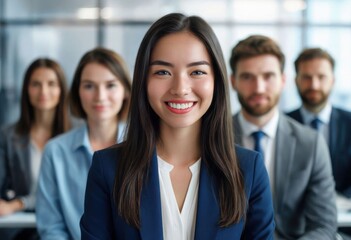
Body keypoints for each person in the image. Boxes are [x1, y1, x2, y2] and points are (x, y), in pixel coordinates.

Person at [80, 13, 274, 240]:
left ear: (217, 81)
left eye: (197, 72)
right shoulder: (108, 169)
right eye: (163, 72)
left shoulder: (248, 170)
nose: (180, 88)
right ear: (143, 80)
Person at [229, 35, 337, 239]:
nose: (259, 87)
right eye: (247, 77)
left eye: (268, 76)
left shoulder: (310, 143)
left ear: (283, 80)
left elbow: (324, 225)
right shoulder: (213, 138)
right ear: (233, 81)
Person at [36, 48, 132, 239]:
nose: (100, 96)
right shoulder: (55, 152)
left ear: (126, 91)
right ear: (77, 91)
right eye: (89, 86)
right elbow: (51, 228)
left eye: (110, 85)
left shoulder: (143, 149)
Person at [0, 58, 71, 240]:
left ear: (62, 89)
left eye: (51, 84)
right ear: (26, 90)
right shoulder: (8, 136)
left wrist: (18, 203)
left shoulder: (78, 134)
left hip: (66, 227)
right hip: (19, 230)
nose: (43, 91)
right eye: (36, 84)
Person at [287, 47, 351, 198]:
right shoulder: (282, 124)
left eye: (321, 77)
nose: (314, 85)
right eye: (306, 77)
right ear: (296, 81)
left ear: (332, 80)